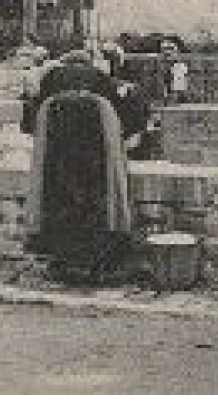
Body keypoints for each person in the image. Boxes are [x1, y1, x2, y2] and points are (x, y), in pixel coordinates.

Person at [20, 49, 138, 282]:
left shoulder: (51, 77)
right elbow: (121, 109)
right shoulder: (99, 76)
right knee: (95, 194)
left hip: (59, 148)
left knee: (59, 194)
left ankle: (63, 260)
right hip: (94, 144)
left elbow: (31, 114)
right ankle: (93, 261)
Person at [160, 37, 189, 105]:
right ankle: (169, 99)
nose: (167, 51)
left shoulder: (179, 66)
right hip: (168, 68)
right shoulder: (165, 63)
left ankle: (174, 99)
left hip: (174, 68)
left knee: (176, 79)